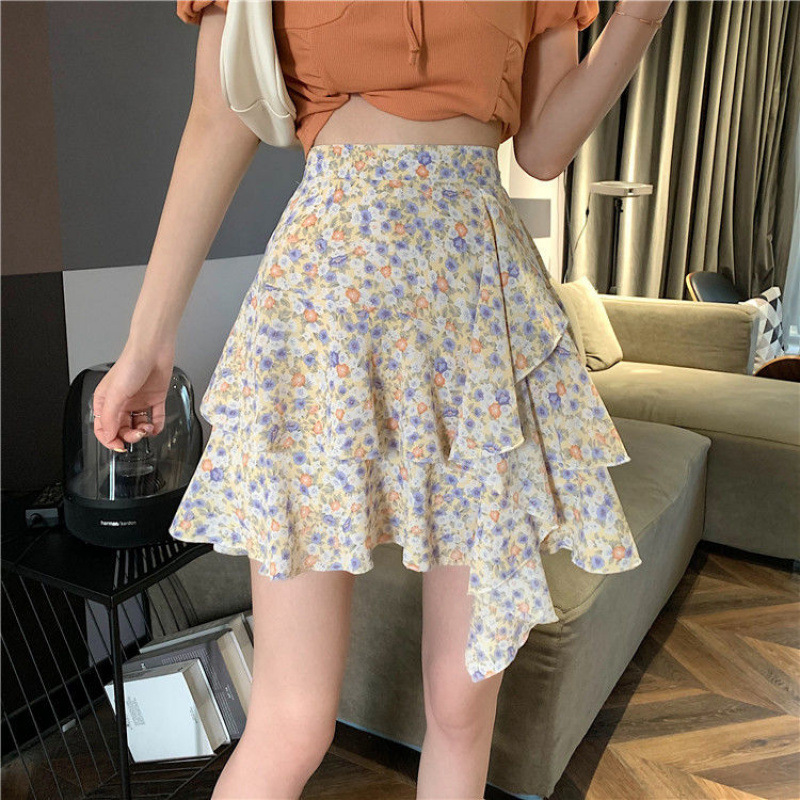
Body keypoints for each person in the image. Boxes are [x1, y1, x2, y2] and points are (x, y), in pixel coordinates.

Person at [92, 2, 672, 798]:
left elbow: (542, 150)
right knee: (293, 719)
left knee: (462, 705)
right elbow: (216, 118)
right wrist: (147, 345)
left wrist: (639, 16)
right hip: (325, 315)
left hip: (478, 317)